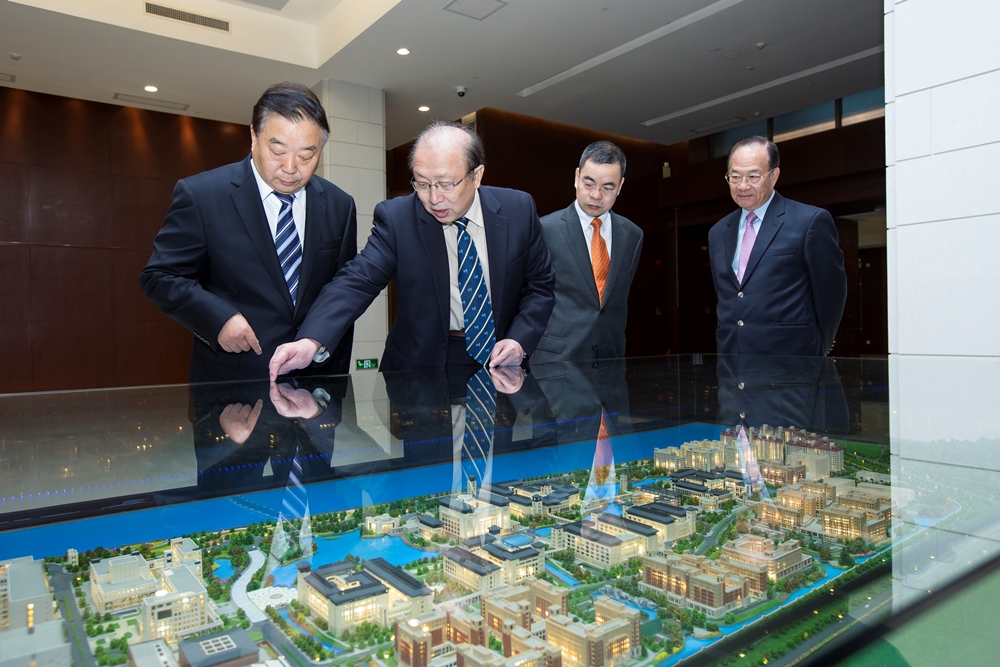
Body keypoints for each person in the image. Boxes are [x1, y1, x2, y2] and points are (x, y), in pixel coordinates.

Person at [269, 120, 555, 378]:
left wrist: (519, 340)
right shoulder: (398, 219)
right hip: (419, 368)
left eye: (445, 184)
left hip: (499, 364)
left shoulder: (518, 210)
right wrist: (312, 339)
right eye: (422, 183)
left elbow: (540, 286)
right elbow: (357, 281)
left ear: (476, 175)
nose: (434, 198)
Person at [140, 82, 357, 382]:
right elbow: (160, 276)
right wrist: (218, 319)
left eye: (307, 156)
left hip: (317, 383)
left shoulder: (339, 205)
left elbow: (343, 290)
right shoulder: (203, 195)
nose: (290, 168)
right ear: (254, 136)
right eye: (277, 151)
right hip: (234, 384)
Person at [708, 136, 847, 356]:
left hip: (791, 363)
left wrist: (817, 350)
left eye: (753, 176)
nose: (743, 186)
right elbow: (729, 296)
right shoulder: (718, 232)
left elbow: (832, 295)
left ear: (774, 176)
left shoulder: (809, 222)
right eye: (735, 177)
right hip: (733, 362)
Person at [532, 141, 644, 364]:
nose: (596, 195)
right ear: (576, 177)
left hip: (610, 361)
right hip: (556, 362)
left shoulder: (633, 235)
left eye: (607, 188)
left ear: (620, 186)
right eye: (589, 184)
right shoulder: (544, 229)